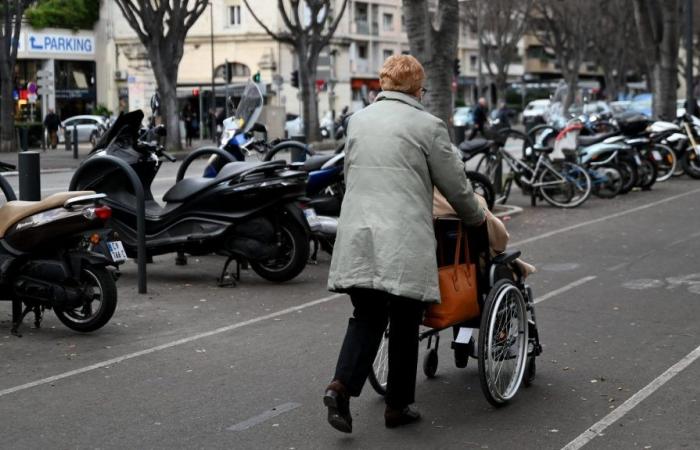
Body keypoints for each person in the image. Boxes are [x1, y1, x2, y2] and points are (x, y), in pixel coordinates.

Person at [324, 54, 486, 433]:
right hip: (403, 237)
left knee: (366, 314)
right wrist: (477, 219)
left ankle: (341, 387)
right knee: (404, 319)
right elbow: (456, 186)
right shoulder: (428, 126)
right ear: (417, 89)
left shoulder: (357, 122)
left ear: (383, 85)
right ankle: (397, 407)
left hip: (359, 232)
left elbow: (350, 174)